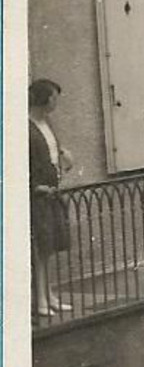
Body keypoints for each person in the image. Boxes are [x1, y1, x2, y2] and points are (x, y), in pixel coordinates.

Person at [28, 78, 74, 317]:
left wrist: (64, 156)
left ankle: (50, 294)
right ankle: (41, 300)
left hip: (52, 191)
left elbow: (53, 151)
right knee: (39, 247)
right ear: (43, 98)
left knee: (49, 247)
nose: (56, 102)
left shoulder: (47, 123)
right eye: (53, 97)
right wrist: (35, 186)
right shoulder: (26, 127)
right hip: (38, 195)